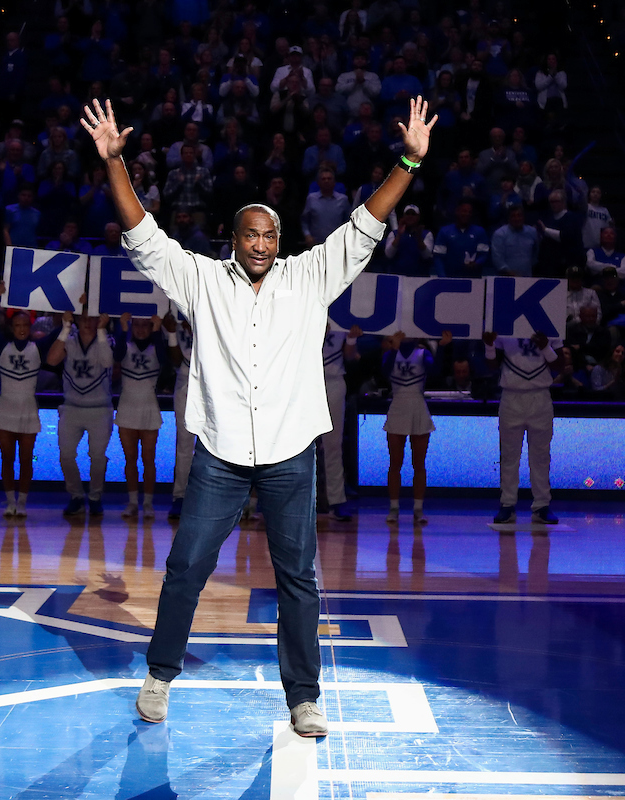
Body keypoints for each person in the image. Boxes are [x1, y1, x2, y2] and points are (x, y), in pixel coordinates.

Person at [80, 95, 437, 737]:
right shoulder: (202, 280)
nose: (263, 244)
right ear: (235, 239)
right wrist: (114, 163)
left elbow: (366, 223)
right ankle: (159, 677)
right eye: (252, 234)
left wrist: (410, 158)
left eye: (271, 235)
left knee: (298, 576)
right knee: (187, 566)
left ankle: (304, 696)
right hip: (219, 455)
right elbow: (143, 236)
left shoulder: (309, 276)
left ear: (281, 240)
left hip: (288, 453)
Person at [483, 328, 564, 525]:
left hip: (540, 395)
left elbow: (560, 364)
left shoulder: (550, 324)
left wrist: (545, 347)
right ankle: (507, 505)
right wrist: (489, 345)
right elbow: (492, 365)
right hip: (511, 395)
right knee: (509, 455)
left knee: (541, 455)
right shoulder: (504, 325)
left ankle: (542, 505)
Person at [46, 303, 114, 517]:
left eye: (91, 318)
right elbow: (51, 360)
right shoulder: (69, 340)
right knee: (66, 455)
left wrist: (102, 330)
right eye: (82, 318)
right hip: (71, 407)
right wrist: (65, 328)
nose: (86, 322)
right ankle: (75, 495)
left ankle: (95, 496)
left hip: (100, 408)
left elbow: (107, 361)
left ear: (99, 320)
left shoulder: (107, 340)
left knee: (97, 456)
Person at [384, 330, 445, 525]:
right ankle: (394, 508)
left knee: (419, 464)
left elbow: (435, 371)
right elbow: (384, 371)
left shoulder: (423, 353)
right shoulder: (389, 353)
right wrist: (394, 349)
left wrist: (441, 347)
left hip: (418, 405)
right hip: (397, 405)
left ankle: (418, 509)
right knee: (395, 463)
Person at [0, 307, 42, 517]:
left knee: (26, 459)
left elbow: (59, 334)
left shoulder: (38, 348)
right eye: (17, 326)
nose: (21, 329)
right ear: (11, 328)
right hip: (5, 409)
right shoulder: (2, 345)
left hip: (28, 409)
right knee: (7, 458)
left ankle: (22, 502)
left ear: (30, 327)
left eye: (25, 325)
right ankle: (10, 500)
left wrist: (66, 320)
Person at [115, 312, 165, 519]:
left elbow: (165, 359)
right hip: (127, 408)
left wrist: (157, 330)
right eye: (138, 326)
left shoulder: (156, 348)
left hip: (149, 408)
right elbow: (116, 356)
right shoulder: (125, 346)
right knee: (130, 459)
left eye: (146, 326)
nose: (141, 330)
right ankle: (133, 502)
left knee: (149, 459)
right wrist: (122, 329)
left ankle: (148, 503)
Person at [321, 324, 362, 521]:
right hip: (303, 380)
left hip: (334, 380)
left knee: (333, 444)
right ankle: (290, 501)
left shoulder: (344, 314)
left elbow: (349, 354)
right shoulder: (304, 301)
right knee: (297, 446)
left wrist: (352, 338)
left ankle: (336, 501)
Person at [166, 315, 195, 520]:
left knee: (215, 446)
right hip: (185, 384)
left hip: (215, 385)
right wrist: (170, 332)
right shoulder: (173, 320)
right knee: (184, 446)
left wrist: (196, 329)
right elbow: (176, 360)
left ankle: (212, 498)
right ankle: (180, 496)